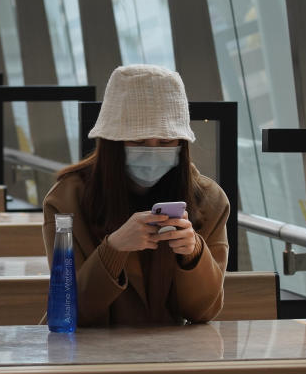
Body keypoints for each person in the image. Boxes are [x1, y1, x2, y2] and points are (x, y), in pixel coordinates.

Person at [43, 64, 229, 326]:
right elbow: (69, 310)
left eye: (165, 142)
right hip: (88, 359)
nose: (152, 151)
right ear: (112, 142)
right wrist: (114, 248)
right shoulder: (66, 200)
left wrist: (193, 254)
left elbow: (203, 312)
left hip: (170, 358)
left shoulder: (209, 200)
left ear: (181, 144)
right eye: (138, 141)